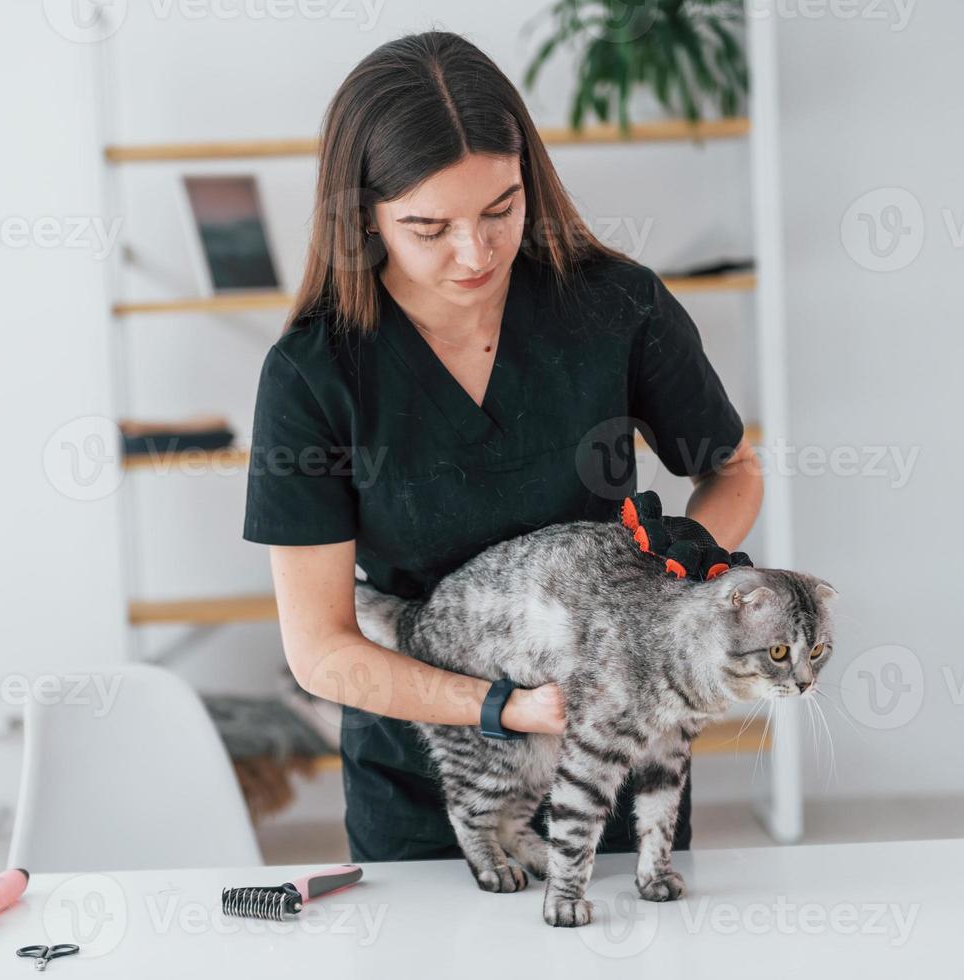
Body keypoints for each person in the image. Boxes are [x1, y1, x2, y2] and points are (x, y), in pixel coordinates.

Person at [241, 31, 763, 864]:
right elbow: (322, 651)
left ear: (531, 180)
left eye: (500, 209)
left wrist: (686, 584)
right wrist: (505, 709)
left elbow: (729, 468)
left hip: (614, 752)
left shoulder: (615, 306)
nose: (474, 253)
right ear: (365, 217)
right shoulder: (314, 375)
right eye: (428, 227)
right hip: (430, 782)